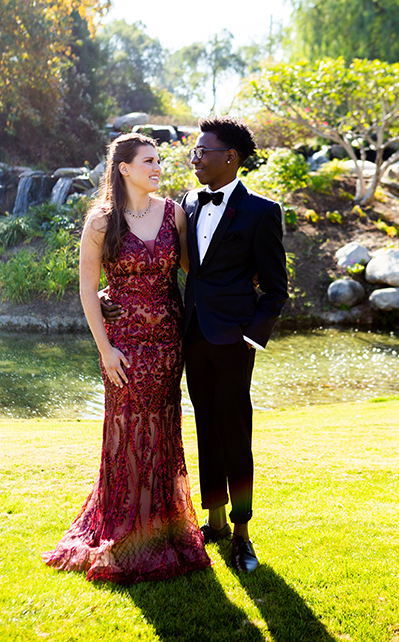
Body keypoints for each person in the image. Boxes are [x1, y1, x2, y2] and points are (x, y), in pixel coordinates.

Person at [43, 133, 211, 584]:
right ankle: (124, 526)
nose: (158, 168)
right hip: (123, 343)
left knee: (162, 427)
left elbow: (194, 272)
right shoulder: (101, 221)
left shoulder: (173, 213)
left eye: (159, 160)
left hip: (168, 340)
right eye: (149, 161)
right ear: (124, 168)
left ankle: (163, 524)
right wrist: (106, 349)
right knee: (127, 426)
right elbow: (86, 290)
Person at [181, 116, 288, 572]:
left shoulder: (262, 211)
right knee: (205, 427)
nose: (195, 158)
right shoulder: (185, 202)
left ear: (230, 157)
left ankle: (243, 533)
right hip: (192, 335)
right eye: (195, 150)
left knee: (236, 434)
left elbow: (277, 289)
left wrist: (250, 337)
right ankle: (217, 521)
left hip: (233, 341)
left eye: (203, 151)